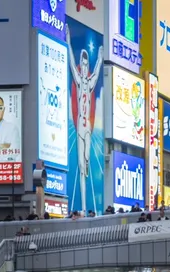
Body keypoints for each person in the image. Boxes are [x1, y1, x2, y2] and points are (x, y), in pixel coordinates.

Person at [66, 23, 103, 211]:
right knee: (81, 166)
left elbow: (96, 72)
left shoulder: (89, 84)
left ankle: (87, 163)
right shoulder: (80, 83)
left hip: (87, 126)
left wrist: (102, 56)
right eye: (84, 62)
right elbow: (72, 64)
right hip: (80, 126)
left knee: (87, 159)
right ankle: (82, 205)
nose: (84, 65)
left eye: (87, 62)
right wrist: (68, 41)